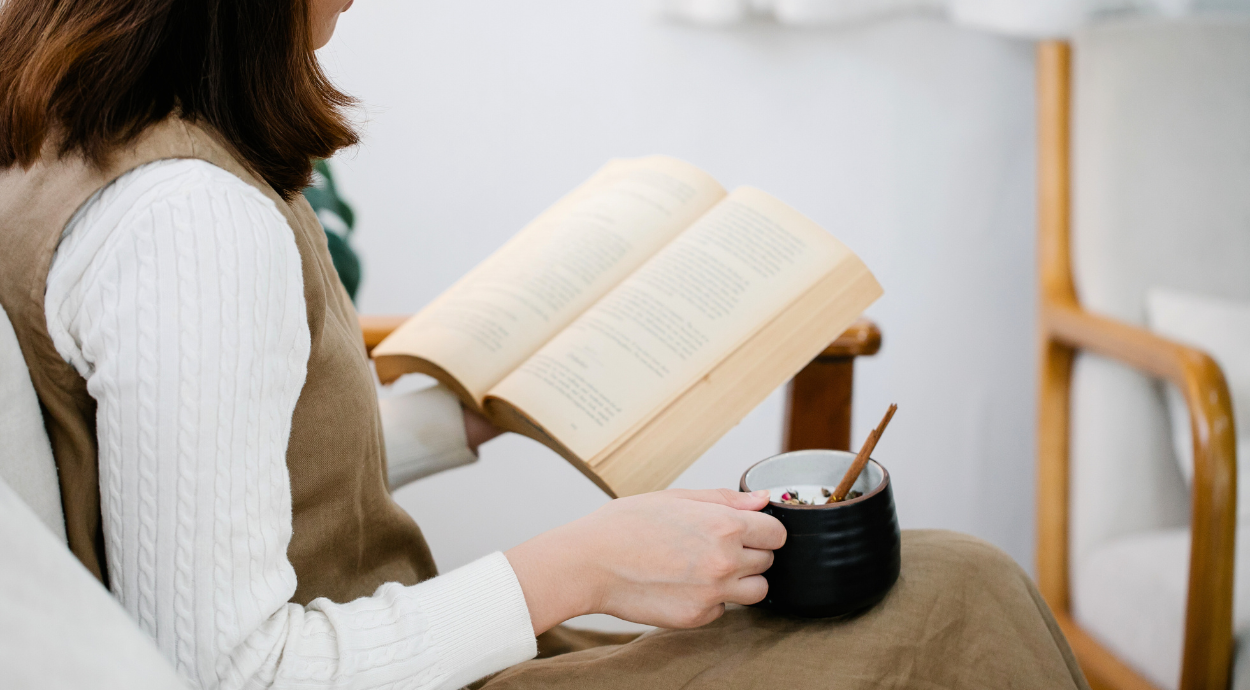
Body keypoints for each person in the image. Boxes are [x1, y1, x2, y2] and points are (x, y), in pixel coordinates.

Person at [0, 1, 1089, 689]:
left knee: (940, 584)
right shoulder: (190, 222)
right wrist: (582, 565)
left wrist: (459, 417)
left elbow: (206, 472)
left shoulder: (68, 132)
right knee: (957, 588)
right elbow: (227, 673)